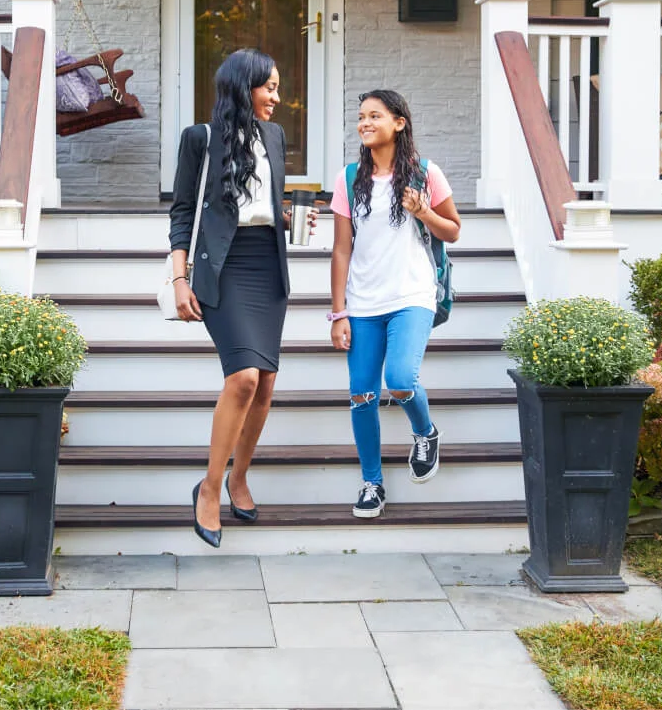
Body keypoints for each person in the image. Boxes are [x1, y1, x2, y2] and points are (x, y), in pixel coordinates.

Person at [169, 48, 315, 547]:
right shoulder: (200, 139)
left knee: (267, 383)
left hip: (267, 265)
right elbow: (183, 211)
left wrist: (292, 218)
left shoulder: (273, 136)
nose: (278, 96)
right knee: (243, 378)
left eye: (277, 87)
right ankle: (209, 488)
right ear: (242, 87)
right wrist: (179, 279)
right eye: (268, 87)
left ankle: (239, 477)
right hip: (224, 269)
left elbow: (263, 205)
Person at [329, 90, 461, 518]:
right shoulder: (349, 178)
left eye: (374, 115)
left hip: (412, 294)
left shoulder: (426, 173)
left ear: (399, 122)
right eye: (361, 116)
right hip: (364, 302)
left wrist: (423, 211)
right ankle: (372, 483)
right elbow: (341, 250)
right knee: (362, 394)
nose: (364, 123)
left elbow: (453, 231)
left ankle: (425, 432)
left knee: (401, 379)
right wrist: (339, 312)